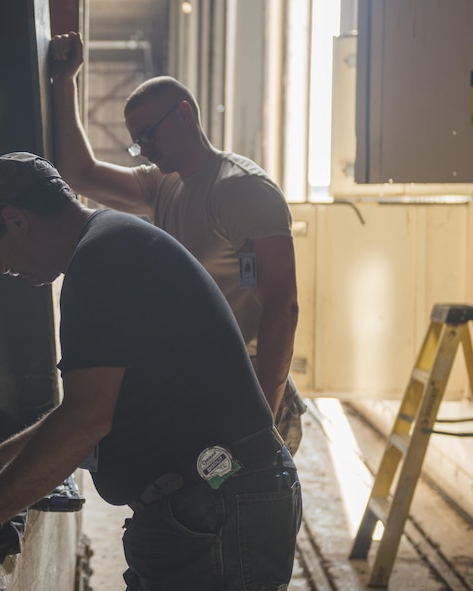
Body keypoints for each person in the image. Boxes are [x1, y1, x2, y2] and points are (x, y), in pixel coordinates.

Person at [0, 152, 302, 591]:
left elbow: (85, 422)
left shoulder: (101, 261)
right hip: (210, 503)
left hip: (218, 508)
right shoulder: (112, 243)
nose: (1, 267)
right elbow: (84, 409)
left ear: (16, 220)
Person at [49, 31, 306, 454]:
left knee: (247, 508)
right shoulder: (163, 184)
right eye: (138, 142)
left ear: (184, 115)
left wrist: (260, 421)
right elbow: (81, 176)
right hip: (204, 394)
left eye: (149, 135)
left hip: (248, 397)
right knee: (206, 509)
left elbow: (282, 308)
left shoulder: (240, 190)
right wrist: (65, 81)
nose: (145, 150)